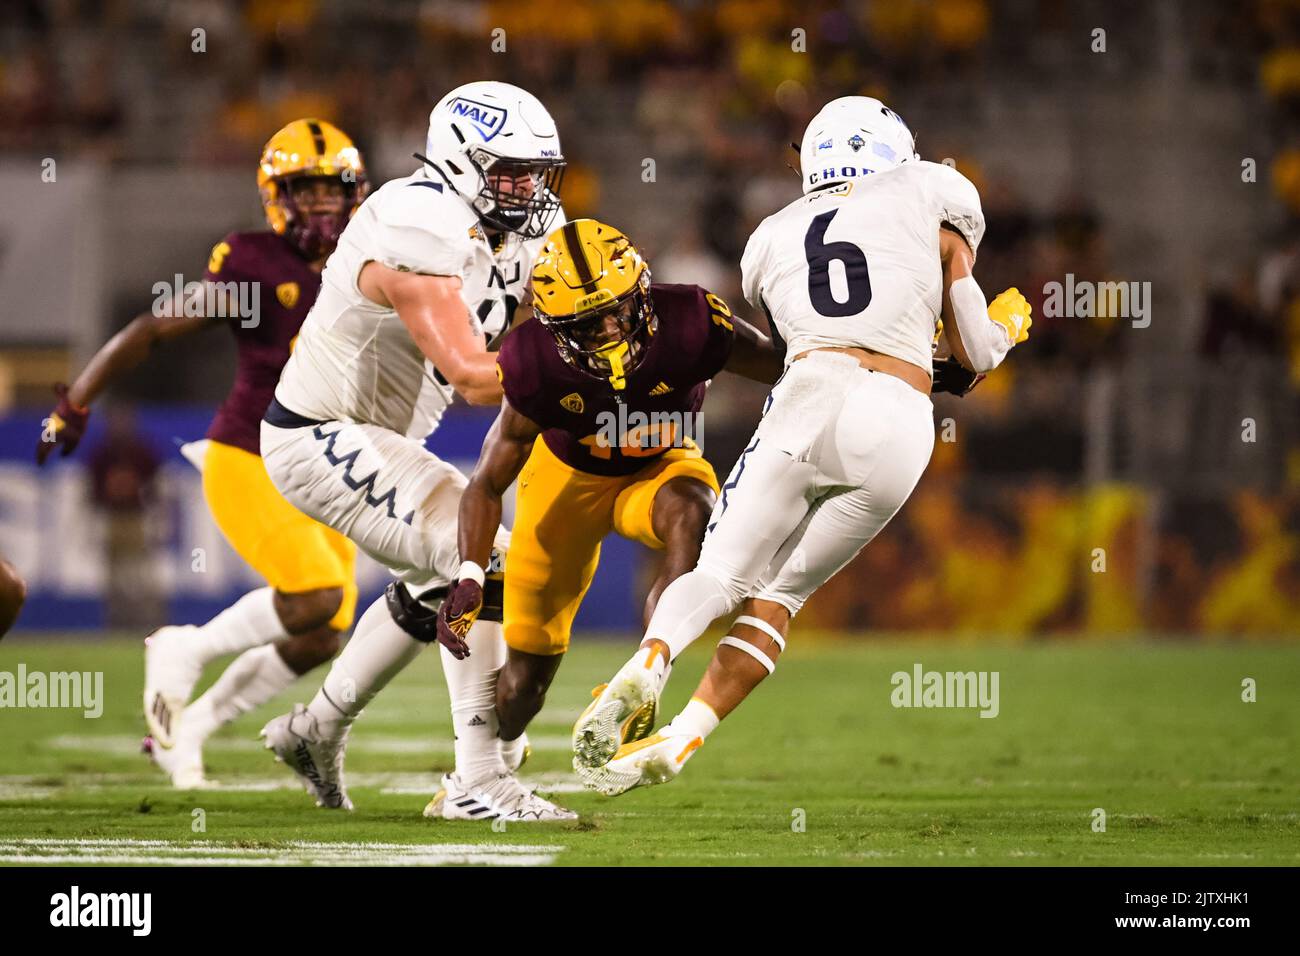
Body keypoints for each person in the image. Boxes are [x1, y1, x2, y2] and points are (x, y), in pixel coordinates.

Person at [575, 96, 1032, 795]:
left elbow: (823, 328)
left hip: (809, 392)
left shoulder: (770, 238)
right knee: (779, 600)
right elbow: (970, 351)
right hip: (898, 418)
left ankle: (650, 661)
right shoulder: (932, 190)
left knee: (722, 573)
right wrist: (1004, 328)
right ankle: (686, 736)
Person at [258, 81, 576, 821]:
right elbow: (470, 374)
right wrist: (583, 378)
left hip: (381, 437)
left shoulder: (522, 221)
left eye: (536, 171)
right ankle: (479, 780)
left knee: (440, 580)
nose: (527, 188)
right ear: (461, 163)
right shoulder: (415, 221)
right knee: (480, 554)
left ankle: (316, 730)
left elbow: (581, 295)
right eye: (509, 171)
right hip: (317, 432)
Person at [36, 119, 368, 788]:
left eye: (334, 190)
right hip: (251, 453)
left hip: (331, 465)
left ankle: (190, 728)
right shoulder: (254, 262)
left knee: (324, 632)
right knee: (315, 597)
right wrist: (77, 399)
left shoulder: (371, 255)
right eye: (305, 191)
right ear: (276, 196)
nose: (323, 205)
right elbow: (154, 328)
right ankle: (184, 648)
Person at [431, 218, 782, 812]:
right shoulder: (533, 361)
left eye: (618, 311)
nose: (610, 330)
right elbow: (488, 481)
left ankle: (649, 669)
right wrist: (469, 572)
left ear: (642, 291)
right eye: (588, 324)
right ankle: (497, 760)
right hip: (564, 486)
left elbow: (788, 368)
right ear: (552, 326)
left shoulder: (696, 320)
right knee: (522, 688)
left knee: (694, 512)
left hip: (660, 465)